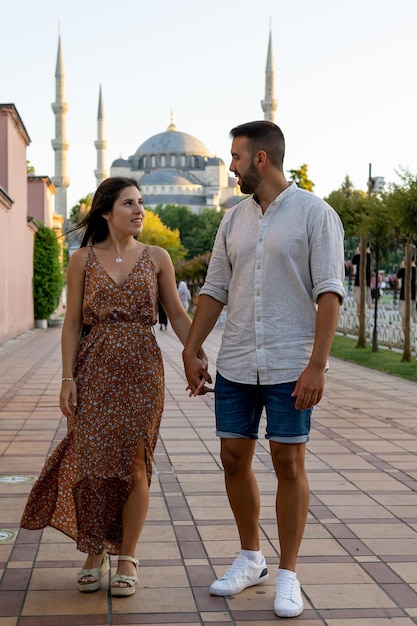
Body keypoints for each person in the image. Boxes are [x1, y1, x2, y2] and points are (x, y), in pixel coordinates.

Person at [182, 121, 345, 619]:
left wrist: (317, 365)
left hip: (290, 362)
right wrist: (191, 349)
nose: (228, 166)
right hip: (236, 361)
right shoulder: (233, 220)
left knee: (288, 463)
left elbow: (330, 292)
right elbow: (213, 290)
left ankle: (289, 574)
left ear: (259, 159)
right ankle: (251, 557)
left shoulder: (316, 215)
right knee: (233, 457)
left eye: (234, 156)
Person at [21, 177, 207, 598]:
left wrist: (193, 352)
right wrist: (67, 378)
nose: (139, 210)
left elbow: (177, 315)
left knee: (136, 463)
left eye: (141, 202)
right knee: (94, 464)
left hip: (143, 371)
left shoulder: (157, 257)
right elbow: (71, 324)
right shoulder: (82, 260)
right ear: (106, 212)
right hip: (94, 369)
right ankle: (94, 551)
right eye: (129, 203)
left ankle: (127, 555)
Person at [396, 257, 417, 331]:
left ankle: (406, 338)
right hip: (413, 297)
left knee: (404, 317)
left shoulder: (405, 270)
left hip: (404, 296)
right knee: (413, 317)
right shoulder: (415, 270)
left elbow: (397, 276)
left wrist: (402, 266)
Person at [351, 243, 372, 314]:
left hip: (358, 283)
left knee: (359, 304)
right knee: (366, 303)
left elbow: (351, 263)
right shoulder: (372, 257)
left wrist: (357, 252)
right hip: (368, 283)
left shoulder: (359, 256)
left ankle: (360, 322)